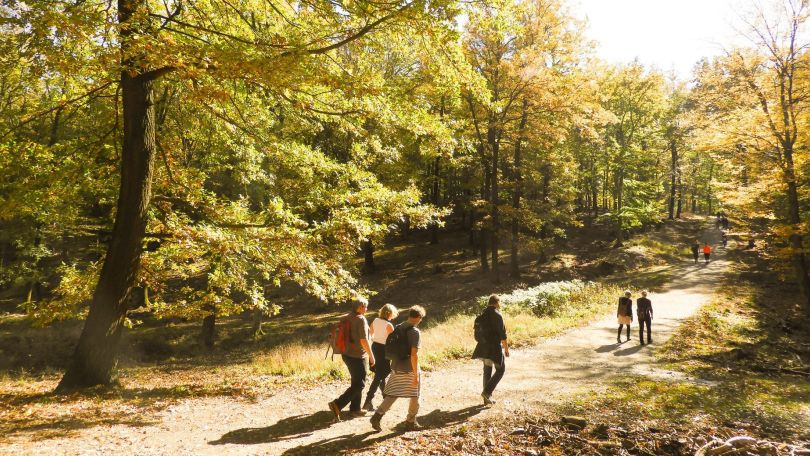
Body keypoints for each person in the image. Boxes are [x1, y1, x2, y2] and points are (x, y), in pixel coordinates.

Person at [370, 305, 426, 432]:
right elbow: (414, 354)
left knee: (393, 393)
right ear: (418, 318)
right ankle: (410, 422)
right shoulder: (414, 332)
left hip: (395, 365)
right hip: (409, 368)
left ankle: (377, 416)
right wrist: (416, 374)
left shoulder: (399, 326)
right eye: (421, 319)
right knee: (415, 395)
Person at [328, 301, 375, 421]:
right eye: (363, 306)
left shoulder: (347, 317)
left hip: (346, 355)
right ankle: (337, 404)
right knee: (360, 383)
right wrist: (371, 355)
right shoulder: (361, 319)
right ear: (357, 307)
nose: (366, 308)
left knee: (356, 382)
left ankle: (355, 409)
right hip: (358, 356)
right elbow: (364, 340)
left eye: (366, 306)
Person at [471, 295, 510, 406]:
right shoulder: (497, 315)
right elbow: (503, 335)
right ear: (497, 303)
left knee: (487, 371)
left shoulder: (481, 315)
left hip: (482, 347)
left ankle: (486, 398)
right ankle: (487, 393)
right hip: (494, 348)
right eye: (499, 303)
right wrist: (506, 349)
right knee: (500, 370)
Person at [363, 304, 398, 411]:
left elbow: (369, 334)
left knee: (380, 373)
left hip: (374, 347)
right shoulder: (389, 325)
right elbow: (393, 341)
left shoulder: (375, 320)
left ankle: (385, 399)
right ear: (389, 313)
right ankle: (368, 400)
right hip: (383, 350)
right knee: (382, 373)